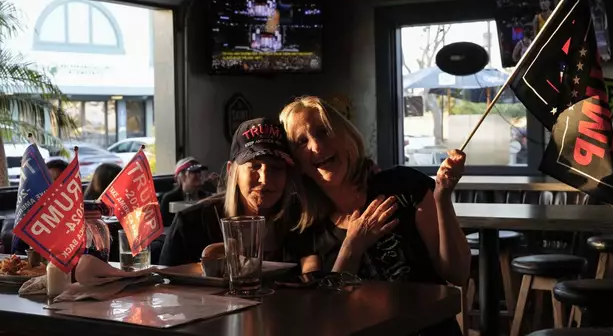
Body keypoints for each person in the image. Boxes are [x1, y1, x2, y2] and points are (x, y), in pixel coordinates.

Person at [279, 96, 470, 335]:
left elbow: (458, 273)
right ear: (296, 162)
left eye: (323, 132)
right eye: (301, 141)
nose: (316, 146)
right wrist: (352, 246)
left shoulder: (404, 185)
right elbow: (325, 312)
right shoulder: (305, 227)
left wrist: (442, 197)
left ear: (344, 135)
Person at [159, 118, 317, 270]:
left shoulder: (301, 222)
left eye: (276, 168)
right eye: (255, 166)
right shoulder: (191, 225)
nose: (265, 178)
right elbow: (164, 288)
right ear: (231, 171)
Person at [159, 157, 211, 227]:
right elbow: (165, 225)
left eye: (199, 171)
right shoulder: (169, 199)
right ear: (181, 176)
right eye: (194, 171)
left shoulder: (207, 197)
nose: (199, 175)